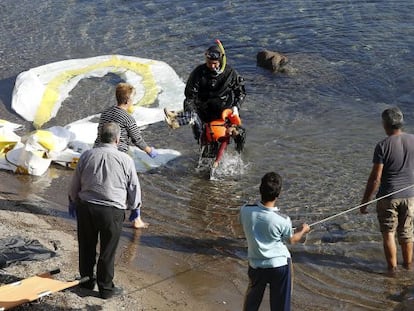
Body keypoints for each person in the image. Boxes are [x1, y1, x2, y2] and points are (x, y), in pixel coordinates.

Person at [68, 122, 144, 299]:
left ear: (100, 137)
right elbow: (133, 187)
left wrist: (72, 200)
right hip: (112, 211)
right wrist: (135, 209)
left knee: (86, 246)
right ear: (117, 139)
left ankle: (86, 281)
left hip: (86, 208)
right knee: (107, 251)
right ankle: (106, 288)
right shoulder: (126, 160)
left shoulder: (87, 155)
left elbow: (75, 183)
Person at [239, 172, 310, 311]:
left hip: (256, 265)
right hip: (280, 266)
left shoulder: (245, 210)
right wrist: (303, 230)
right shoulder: (283, 219)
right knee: (280, 306)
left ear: (260, 189)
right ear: (278, 194)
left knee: (251, 303)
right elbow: (292, 240)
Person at [360, 107, 414, 273]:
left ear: (385, 124)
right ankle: (407, 266)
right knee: (407, 233)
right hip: (411, 196)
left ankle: (392, 270)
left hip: (388, 197)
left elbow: (376, 178)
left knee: (388, 232)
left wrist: (365, 202)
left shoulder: (382, 146)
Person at [164, 43, 246, 143]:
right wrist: (191, 110)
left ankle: (239, 156)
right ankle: (181, 117)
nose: (212, 66)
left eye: (215, 63)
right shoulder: (198, 73)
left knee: (240, 134)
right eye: (209, 63)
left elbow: (240, 92)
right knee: (203, 137)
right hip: (203, 112)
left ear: (220, 61)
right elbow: (189, 97)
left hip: (224, 111)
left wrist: (236, 107)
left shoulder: (229, 73)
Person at [94, 82, 158, 158]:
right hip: (117, 153)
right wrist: (150, 151)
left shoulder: (105, 113)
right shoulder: (128, 118)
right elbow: (137, 140)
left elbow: (99, 131)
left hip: (98, 150)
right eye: (133, 99)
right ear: (127, 101)